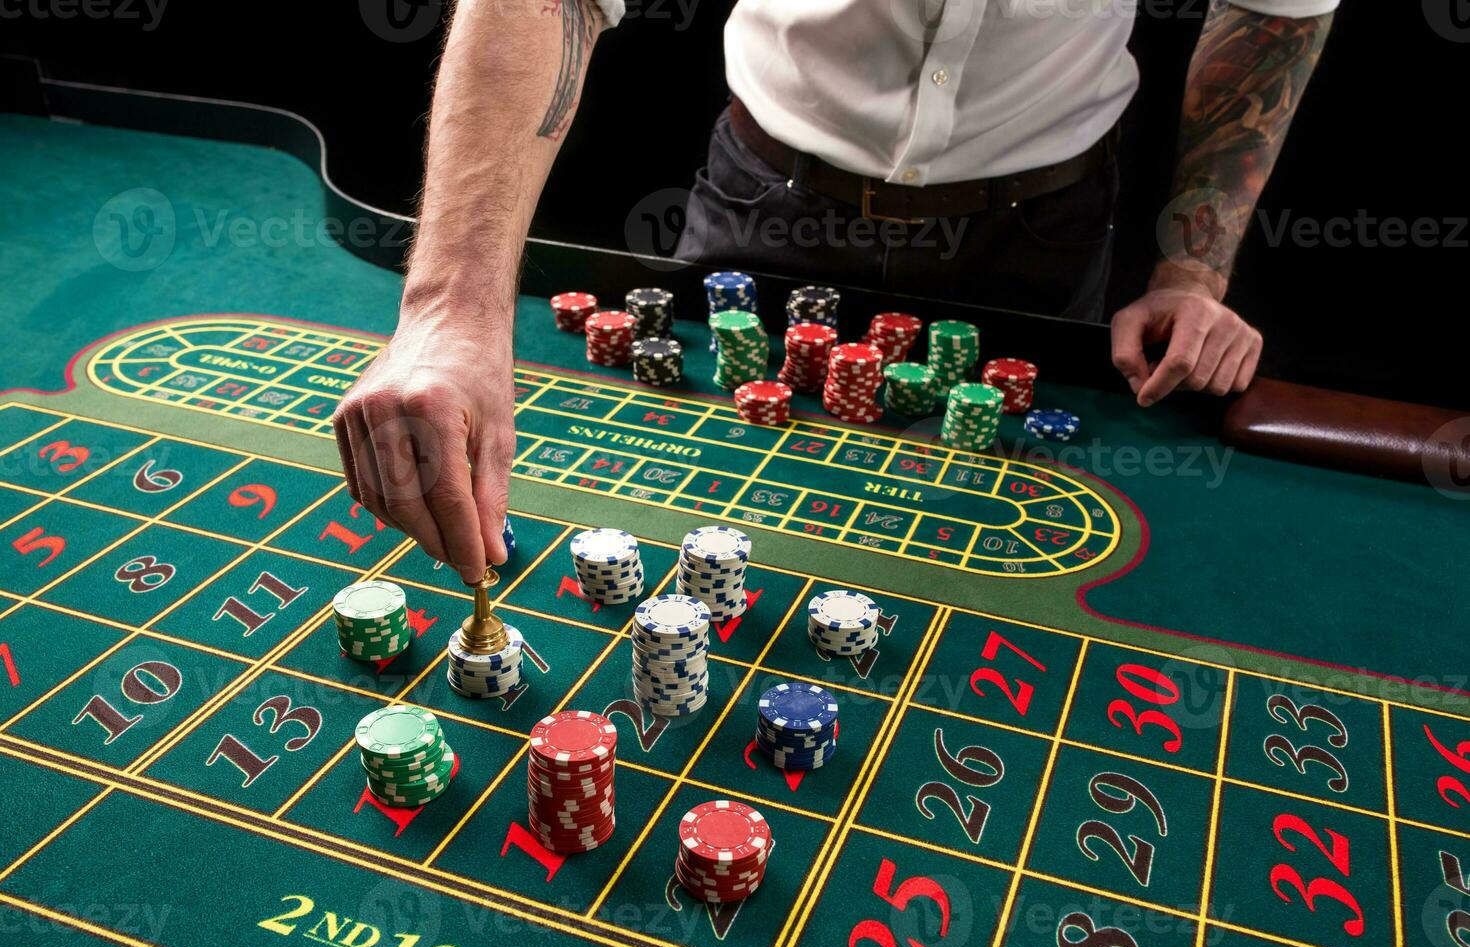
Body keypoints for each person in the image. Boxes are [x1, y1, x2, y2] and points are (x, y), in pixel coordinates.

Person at [332, 0, 1337, 583]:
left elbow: (1274, 11)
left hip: (1044, 225)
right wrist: (450, 309)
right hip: (764, 196)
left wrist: (1192, 269)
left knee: (972, 561)